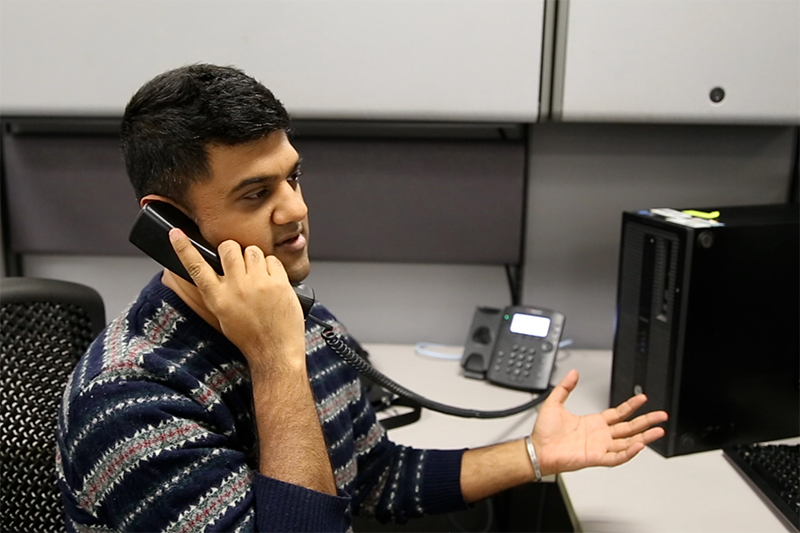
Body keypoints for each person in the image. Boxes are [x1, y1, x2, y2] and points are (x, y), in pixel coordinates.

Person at [56, 64, 668, 533]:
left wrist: (537, 454)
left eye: (292, 176)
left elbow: (377, 479)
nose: (296, 209)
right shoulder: (131, 400)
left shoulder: (302, 318)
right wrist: (276, 363)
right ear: (173, 227)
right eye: (255, 193)